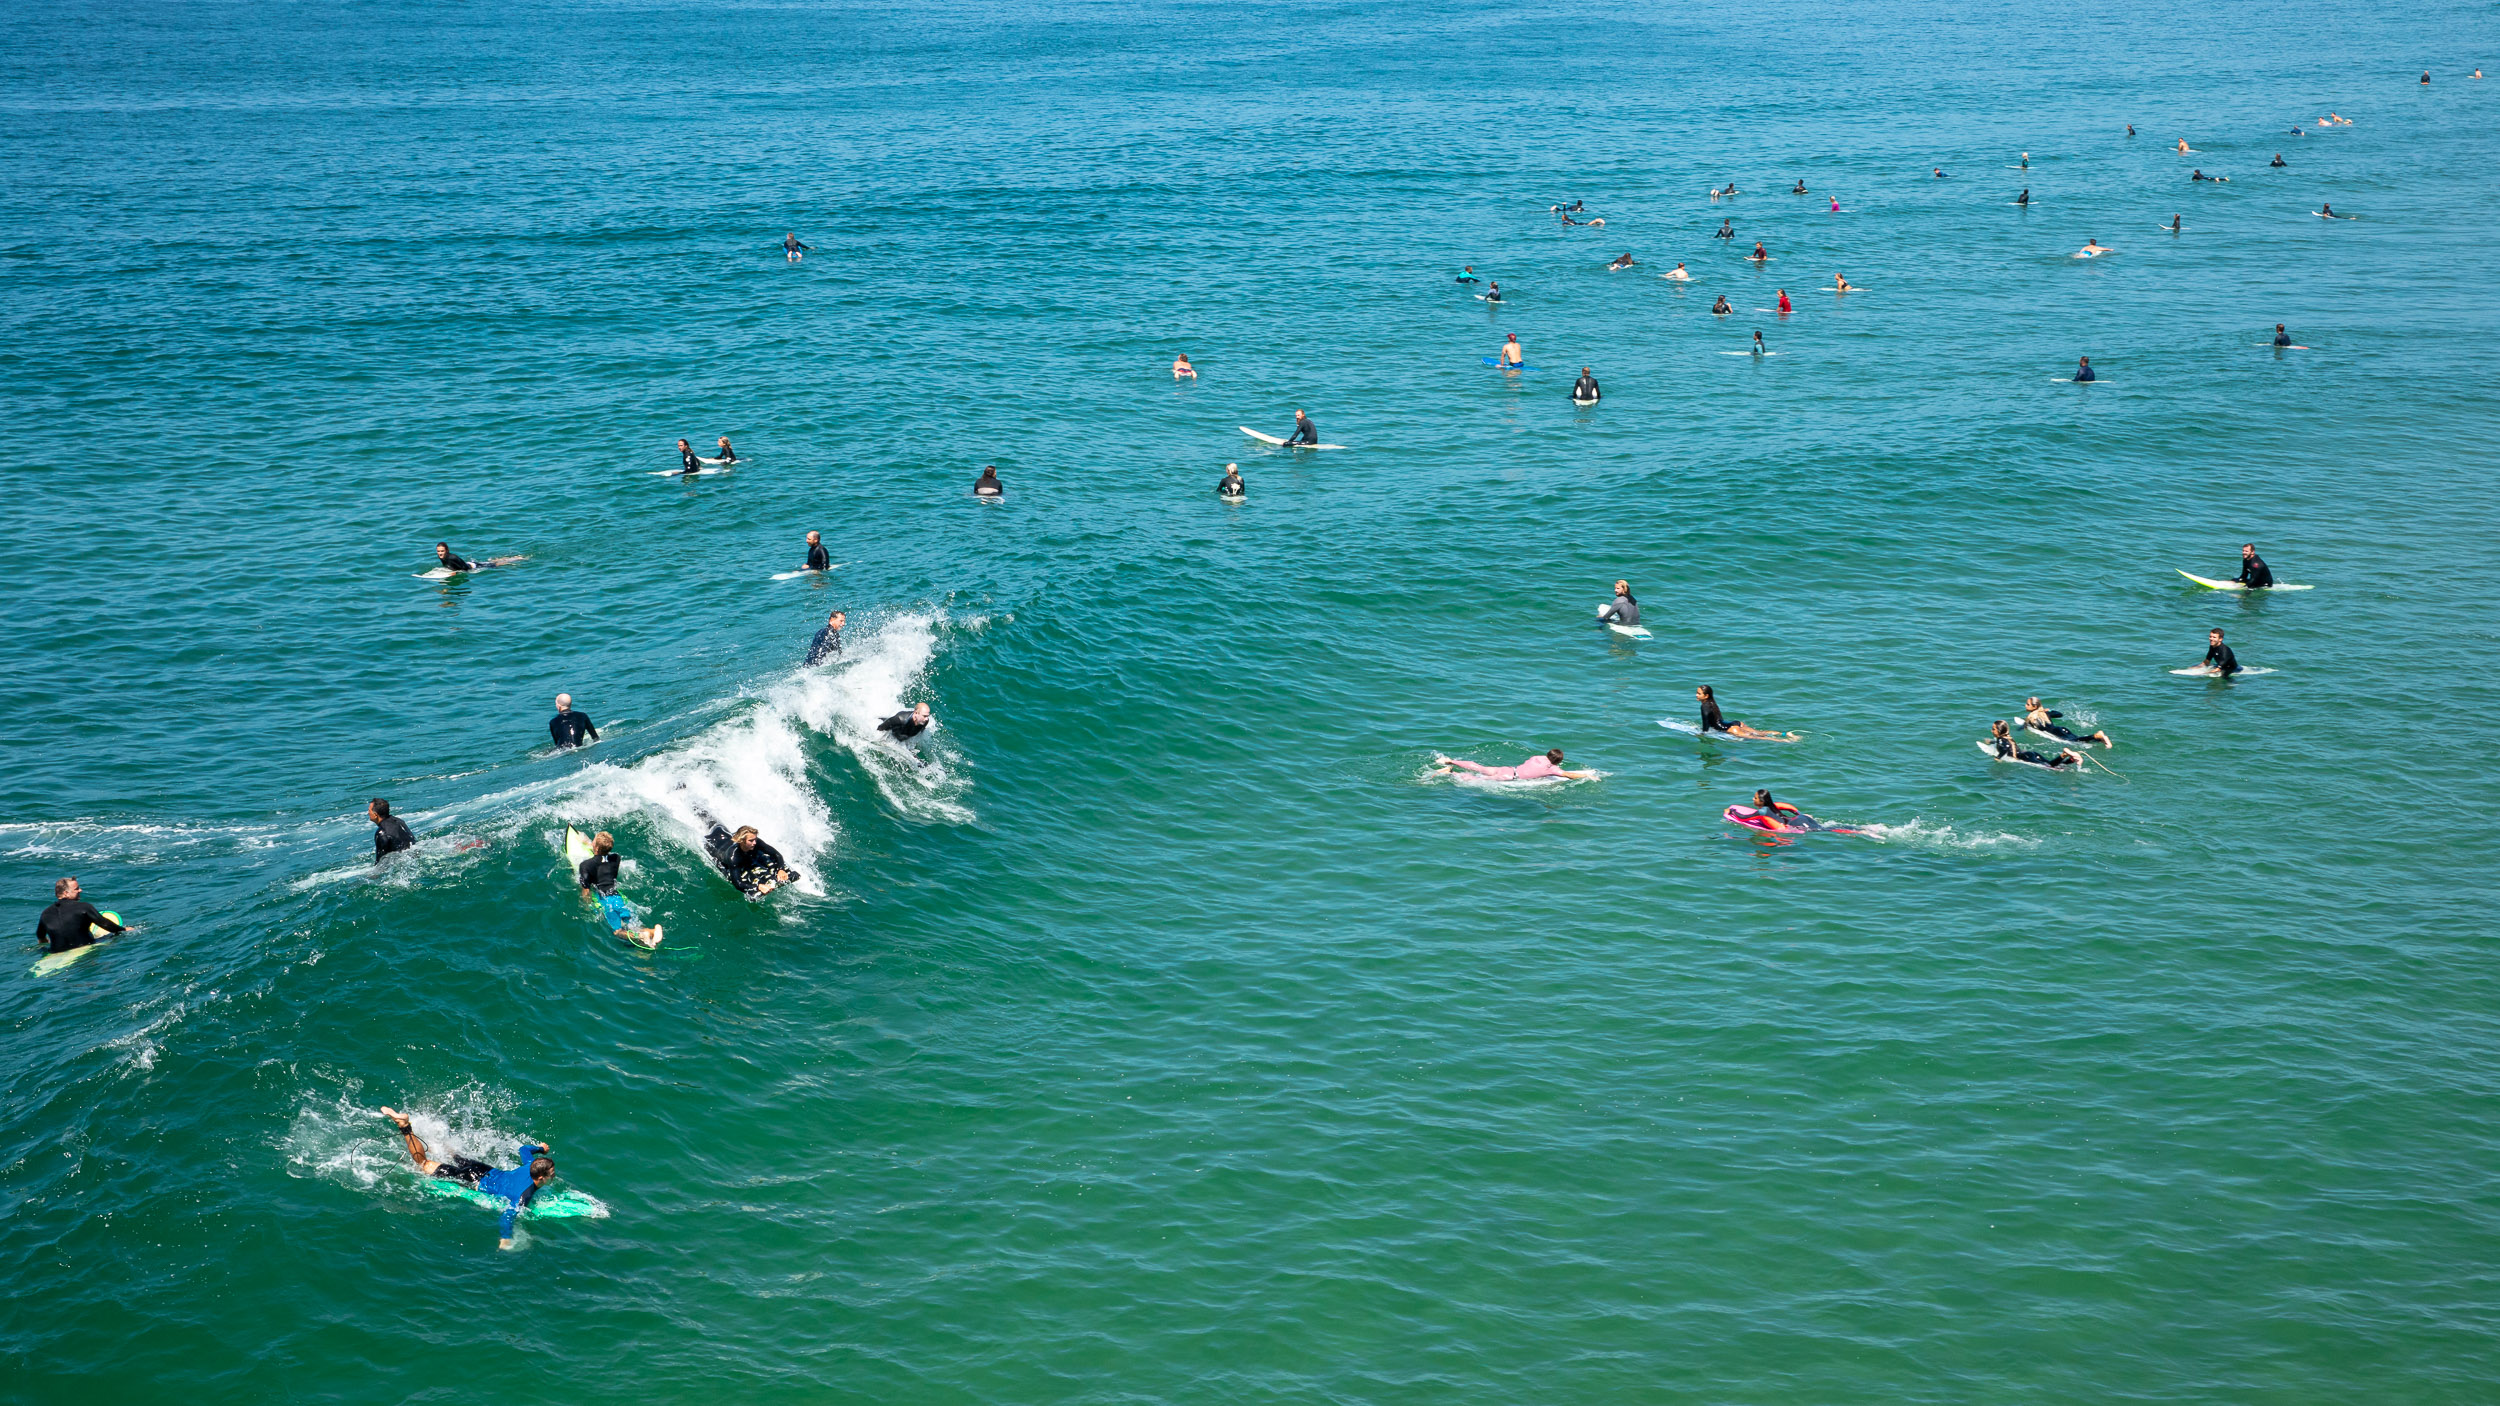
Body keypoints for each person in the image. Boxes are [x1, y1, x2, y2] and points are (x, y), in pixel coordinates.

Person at [378, 1108, 552, 1250]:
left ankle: (434, 1137)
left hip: (482, 1169)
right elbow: (508, 1215)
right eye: (552, 1173)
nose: (554, 1175)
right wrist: (505, 1238)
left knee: (455, 1155)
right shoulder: (525, 1195)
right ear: (541, 1177)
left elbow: (524, 1149)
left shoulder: (530, 1165)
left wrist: (540, 1149)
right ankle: (404, 1125)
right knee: (423, 1164)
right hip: (473, 1180)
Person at [576, 831, 659, 947]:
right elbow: (602, 857)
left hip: (605, 899)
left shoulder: (585, 865)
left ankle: (644, 935)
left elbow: (586, 891)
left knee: (617, 932)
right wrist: (591, 844)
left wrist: (587, 907)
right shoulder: (616, 858)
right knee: (632, 925)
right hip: (617, 898)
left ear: (596, 847)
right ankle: (652, 932)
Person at [35, 877, 123, 955]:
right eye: (76, 889)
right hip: (83, 947)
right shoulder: (84, 907)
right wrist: (124, 930)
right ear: (66, 893)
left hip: (55, 952)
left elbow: (40, 935)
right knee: (114, 936)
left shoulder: (45, 913)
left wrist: (44, 942)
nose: (80, 890)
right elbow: (105, 924)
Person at [704, 824, 796, 895]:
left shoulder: (756, 842)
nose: (755, 843)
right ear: (742, 841)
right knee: (709, 823)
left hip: (728, 836)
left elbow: (777, 854)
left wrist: (780, 869)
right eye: (751, 841)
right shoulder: (733, 856)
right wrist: (758, 886)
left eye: (755, 839)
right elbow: (737, 883)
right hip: (716, 843)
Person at [1695, 685, 1799, 741]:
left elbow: (1706, 722)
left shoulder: (1704, 706)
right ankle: (1785, 734)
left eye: (1699, 693)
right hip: (1735, 723)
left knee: (1757, 738)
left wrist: (1703, 734)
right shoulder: (1712, 703)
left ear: (1706, 696)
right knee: (1760, 733)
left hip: (1729, 728)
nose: (1696, 695)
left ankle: (1784, 741)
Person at [1431, 748, 1595, 782]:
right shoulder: (1553, 769)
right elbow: (1569, 775)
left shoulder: (1537, 757)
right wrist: (1587, 774)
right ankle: (1450, 772)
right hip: (1509, 776)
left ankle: (1450, 760)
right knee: (1475, 780)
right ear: (1558, 761)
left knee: (1479, 767)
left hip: (1508, 768)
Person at [1987, 720, 2085, 769]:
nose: (1991, 730)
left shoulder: (2001, 740)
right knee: (2050, 764)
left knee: (2049, 766)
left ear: (1999, 731)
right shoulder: (2006, 737)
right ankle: (2071, 760)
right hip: (2030, 754)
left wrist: (1998, 758)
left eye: (1993, 729)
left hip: (2024, 757)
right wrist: (1991, 742)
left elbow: (2005, 748)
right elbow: (2004, 744)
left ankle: (2064, 754)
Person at [2021, 698, 2111, 748]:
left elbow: (2041, 728)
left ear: (2034, 706)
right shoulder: (2045, 713)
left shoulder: (2032, 717)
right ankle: (2101, 739)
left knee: (2074, 741)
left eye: (2027, 704)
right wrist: (2049, 710)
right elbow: (2059, 714)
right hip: (2061, 729)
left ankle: (2096, 736)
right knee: (2078, 740)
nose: (2025, 705)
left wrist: (2025, 725)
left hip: (2056, 732)